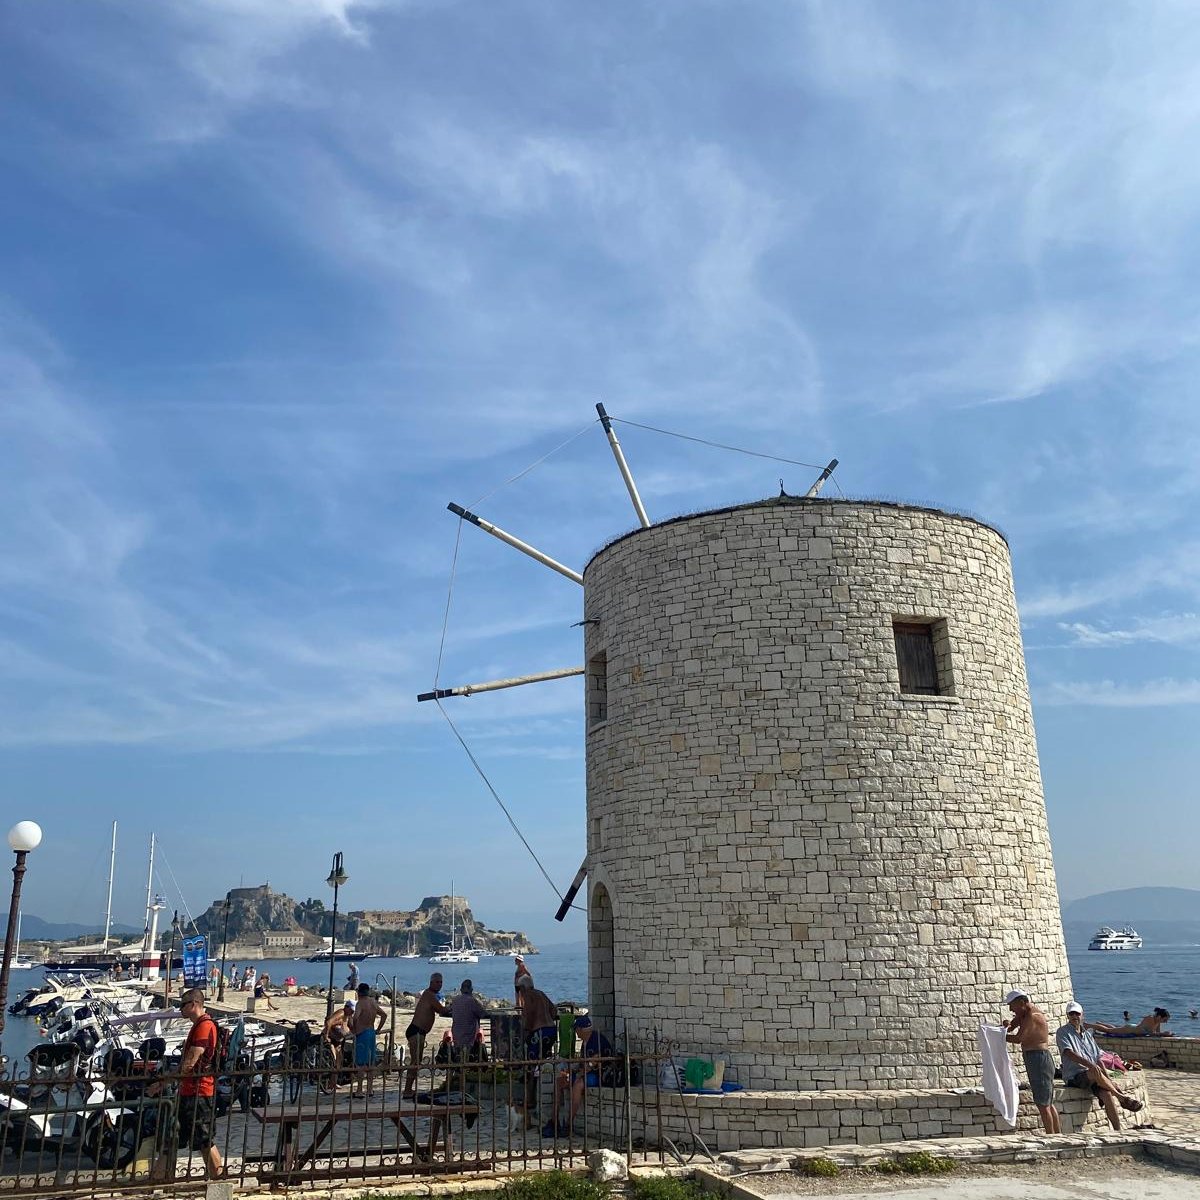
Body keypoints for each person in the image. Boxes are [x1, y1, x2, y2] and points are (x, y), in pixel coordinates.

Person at [1056, 1001, 1144, 1130]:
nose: (1075, 1016)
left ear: (1082, 1015)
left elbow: (1098, 1059)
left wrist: (1108, 1078)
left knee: (1107, 1095)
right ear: (1068, 1016)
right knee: (1094, 1070)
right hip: (1075, 1076)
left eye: (1077, 1013)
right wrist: (1090, 1065)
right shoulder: (1063, 1032)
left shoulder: (1087, 1035)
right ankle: (1121, 1098)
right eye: (1071, 1014)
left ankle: (1118, 1130)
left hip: (1094, 1075)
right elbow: (1069, 1053)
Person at [176, 989, 224, 1179]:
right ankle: (159, 1178)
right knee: (173, 1138)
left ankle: (219, 1178)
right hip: (190, 1089)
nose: (180, 1009)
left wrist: (170, 1079)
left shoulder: (204, 1026)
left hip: (200, 1090)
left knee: (204, 1140)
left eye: (183, 1004)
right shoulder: (198, 1025)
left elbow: (192, 1059)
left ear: (193, 1004)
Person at [546, 1015, 615, 1137]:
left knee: (578, 1085)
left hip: (600, 1075)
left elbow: (594, 1062)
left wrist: (578, 1073)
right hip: (587, 1072)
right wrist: (570, 1070)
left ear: (581, 1029)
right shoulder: (585, 1042)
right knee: (560, 1081)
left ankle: (569, 1124)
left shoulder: (596, 1039)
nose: (576, 1033)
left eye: (576, 1029)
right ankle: (554, 1121)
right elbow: (583, 1063)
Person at [1001, 989, 1059, 1133]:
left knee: (1043, 1104)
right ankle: (1057, 1135)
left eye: (1012, 1005)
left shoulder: (1032, 1016)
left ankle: (1051, 1137)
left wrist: (997, 1037)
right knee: (1047, 1102)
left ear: (1021, 1002)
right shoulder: (1023, 1014)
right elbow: (1011, 1027)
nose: (1010, 1009)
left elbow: (1019, 1038)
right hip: (1034, 1058)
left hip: (1039, 1058)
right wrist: (1006, 1025)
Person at [517, 975, 558, 1126]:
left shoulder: (528, 996)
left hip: (539, 1033)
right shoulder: (541, 993)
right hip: (551, 1030)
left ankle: (530, 1099)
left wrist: (526, 1030)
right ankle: (543, 1095)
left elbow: (528, 1017)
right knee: (543, 1064)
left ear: (522, 988)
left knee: (531, 1066)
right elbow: (553, 1011)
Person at [403, 973, 450, 1097]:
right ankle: (407, 1090)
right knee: (415, 1062)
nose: (439, 984)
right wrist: (454, 1006)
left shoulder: (430, 996)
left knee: (416, 1062)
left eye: (441, 982)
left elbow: (436, 1009)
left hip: (420, 1031)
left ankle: (409, 1089)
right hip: (416, 1031)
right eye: (437, 982)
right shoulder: (429, 995)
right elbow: (441, 1009)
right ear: (431, 982)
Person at [348, 983, 387, 1096]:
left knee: (361, 1063)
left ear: (359, 992)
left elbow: (355, 1017)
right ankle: (369, 1089)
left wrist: (355, 1029)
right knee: (370, 1062)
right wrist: (378, 1029)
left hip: (363, 1033)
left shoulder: (361, 1003)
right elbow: (384, 1015)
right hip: (371, 1032)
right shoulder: (372, 1002)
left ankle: (359, 1090)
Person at [449, 979, 486, 1061]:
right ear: (471, 989)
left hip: (456, 1033)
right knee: (468, 1057)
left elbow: (450, 1010)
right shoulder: (472, 1001)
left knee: (459, 1055)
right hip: (469, 1035)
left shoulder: (455, 1000)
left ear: (461, 990)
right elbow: (482, 1013)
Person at [322, 1002, 355, 1086]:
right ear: (346, 1007)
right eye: (351, 1010)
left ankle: (333, 1083)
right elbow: (329, 1022)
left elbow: (351, 1027)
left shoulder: (348, 1017)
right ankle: (328, 1082)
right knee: (334, 1059)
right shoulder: (341, 1013)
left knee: (339, 1062)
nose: (352, 1012)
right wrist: (326, 1036)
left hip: (338, 1041)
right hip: (331, 1039)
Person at [1094, 1008, 1173, 1037]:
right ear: (1159, 1017)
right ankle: (1090, 1025)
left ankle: (1099, 1023)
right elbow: (1151, 1033)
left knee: (1113, 1028)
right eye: (1165, 1020)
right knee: (1108, 1030)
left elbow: (1157, 1033)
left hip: (1133, 1028)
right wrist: (1163, 1034)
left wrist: (1166, 1034)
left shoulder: (1157, 1022)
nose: (1165, 1022)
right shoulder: (1150, 1019)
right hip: (1130, 1029)